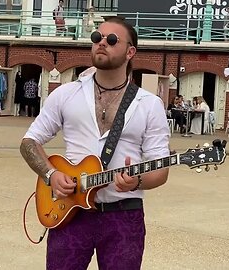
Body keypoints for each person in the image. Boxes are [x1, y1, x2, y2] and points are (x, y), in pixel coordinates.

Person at [20, 17, 169, 270]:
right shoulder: (67, 94)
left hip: (124, 215)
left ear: (130, 51)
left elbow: (161, 170)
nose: (102, 43)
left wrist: (138, 181)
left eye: (112, 40)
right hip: (71, 213)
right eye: (97, 38)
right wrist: (51, 174)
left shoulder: (149, 104)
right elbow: (29, 142)